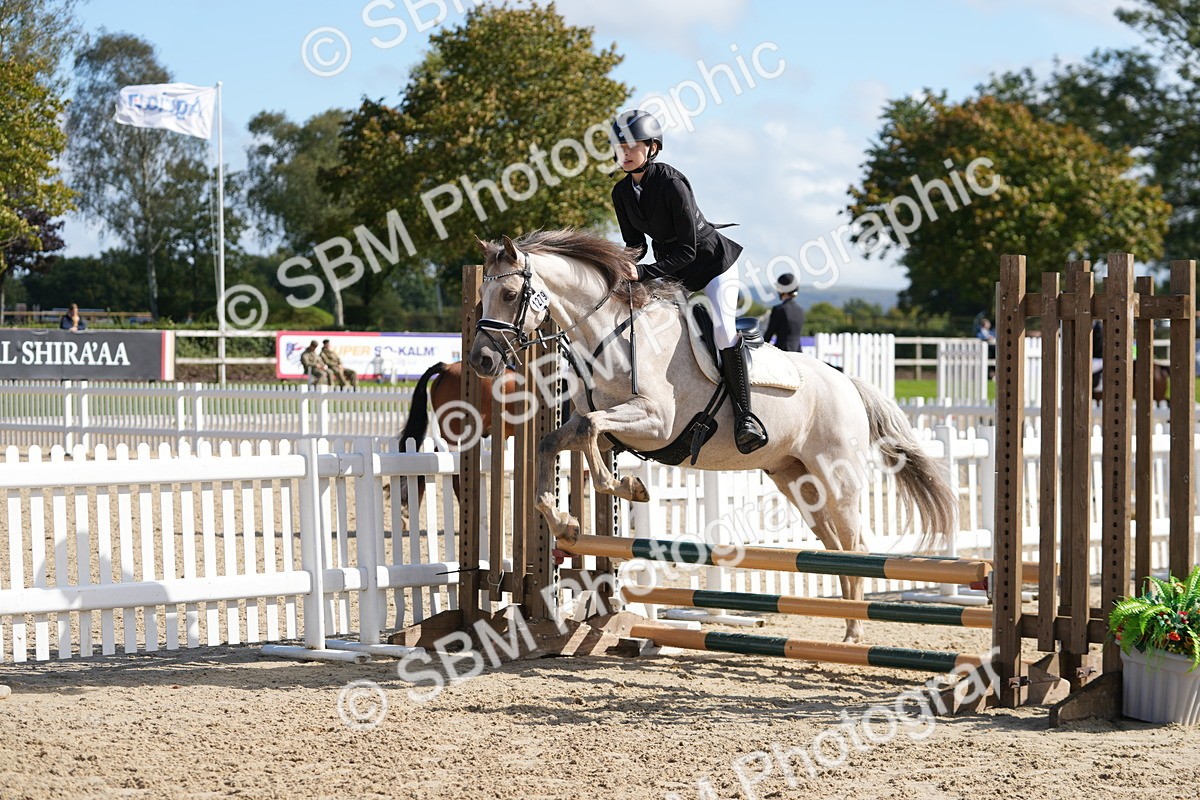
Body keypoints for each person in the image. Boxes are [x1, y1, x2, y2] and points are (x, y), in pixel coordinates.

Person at [609, 109, 767, 454]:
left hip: (711, 265)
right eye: (620, 146)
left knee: (723, 331)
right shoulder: (621, 192)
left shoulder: (671, 183)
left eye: (632, 145)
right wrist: (619, 266)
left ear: (652, 148)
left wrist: (644, 273)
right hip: (673, 269)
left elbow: (688, 250)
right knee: (645, 323)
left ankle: (746, 418)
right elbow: (636, 245)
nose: (625, 152)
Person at [764, 273, 805, 352]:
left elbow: (768, 335)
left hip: (783, 352)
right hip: (798, 352)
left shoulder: (779, 309)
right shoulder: (801, 310)